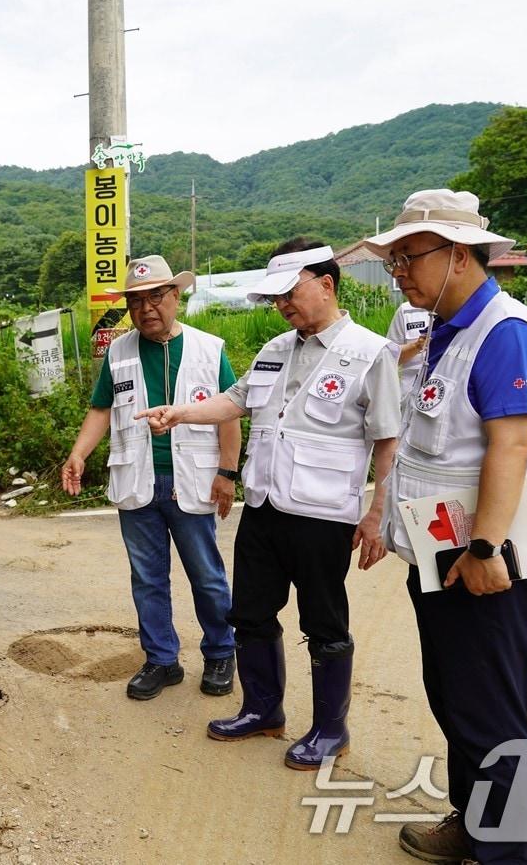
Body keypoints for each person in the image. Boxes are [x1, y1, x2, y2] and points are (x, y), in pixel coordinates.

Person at [136, 239, 401, 770]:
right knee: (251, 613)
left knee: (324, 622)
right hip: (264, 505)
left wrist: (378, 514)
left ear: (326, 284)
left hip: (323, 513)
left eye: (290, 294)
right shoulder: (276, 348)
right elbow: (236, 401)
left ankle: (331, 729)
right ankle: (262, 709)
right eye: (275, 297)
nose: (281, 305)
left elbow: (388, 440)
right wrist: (181, 413)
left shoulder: (371, 352)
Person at [364, 189, 527, 865]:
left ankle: (510, 855)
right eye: (393, 261)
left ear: (457, 253)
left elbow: (512, 446)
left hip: (486, 560)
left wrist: (483, 548)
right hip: (439, 552)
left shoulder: (504, 332)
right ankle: (474, 829)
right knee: (457, 701)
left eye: (408, 258)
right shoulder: (442, 330)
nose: (399, 273)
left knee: (492, 719)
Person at [61, 255, 242, 701]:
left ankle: (221, 652)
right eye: (136, 301)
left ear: (175, 296)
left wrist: (227, 473)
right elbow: (101, 409)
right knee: (147, 579)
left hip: (193, 481)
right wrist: (78, 454)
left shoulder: (208, 348)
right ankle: (161, 660)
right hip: (136, 481)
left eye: (156, 297)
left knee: (207, 576)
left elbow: (230, 414)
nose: (146, 309)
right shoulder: (119, 351)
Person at [388, 300, 431, 398]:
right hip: (409, 394)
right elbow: (389, 357)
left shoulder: (457, 309)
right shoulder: (406, 310)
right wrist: (416, 346)